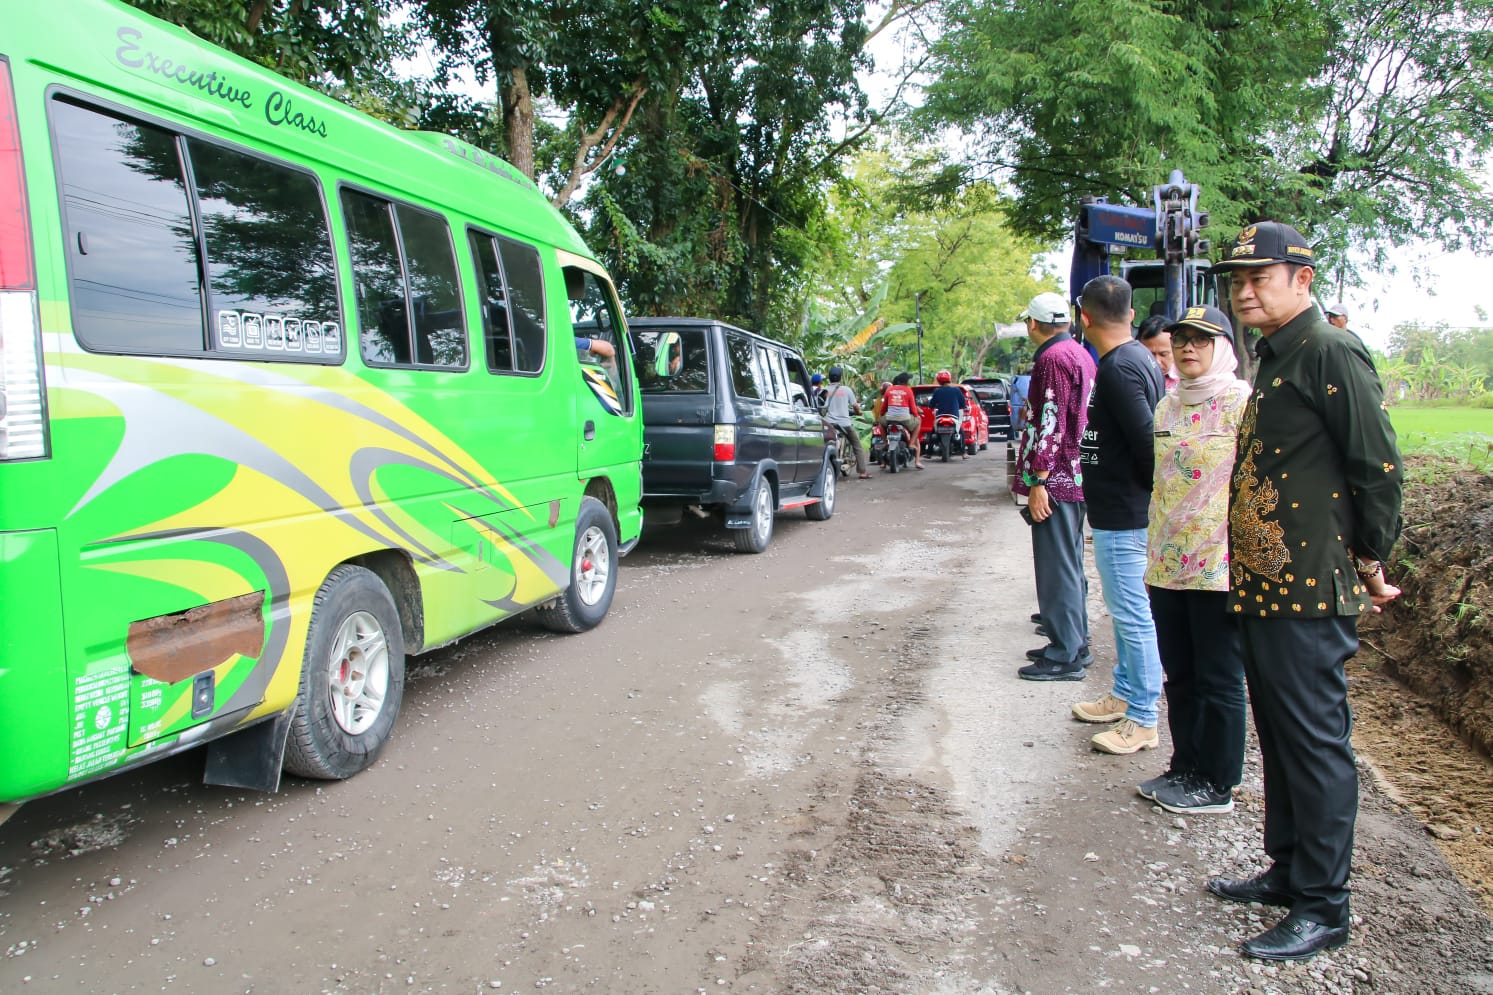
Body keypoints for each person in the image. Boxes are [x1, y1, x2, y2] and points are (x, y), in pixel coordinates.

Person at [1206, 221, 1403, 962]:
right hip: (1264, 585)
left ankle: (1325, 904)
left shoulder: (1328, 350)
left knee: (1316, 744)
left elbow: (1376, 468)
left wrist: (1370, 558)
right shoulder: (1279, 356)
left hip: (1307, 591)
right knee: (1283, 738)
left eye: (1261, 275)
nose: (1245, 289)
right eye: (1237, 278)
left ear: (1302, 279)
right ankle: (1288, 870)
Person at [1134, 305, 1251, 815]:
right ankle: (1185, 766)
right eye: (1181, 339)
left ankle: (1218, 781)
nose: (1188, 348)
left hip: (1218, 565)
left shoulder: (1241, 403)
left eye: (1201, 340)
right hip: (1166, 562)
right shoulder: (1167, 405)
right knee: (1179, 673)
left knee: (1219, 677)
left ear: (1222, 347)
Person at [1068, 276, 1166, 754]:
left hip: (1126, 515)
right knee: (1126, 612)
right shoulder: (1134, 359)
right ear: (1129, 313)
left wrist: (1145, 498)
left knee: (1132, 617)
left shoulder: (1120, 368)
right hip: (1117, 512)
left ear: (1083, 317)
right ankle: (1124, 695)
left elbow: (1149, 442)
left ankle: (1145, 718)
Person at [1014, 291, 1095, 680]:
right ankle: (1074, 640)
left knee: (1056, 566)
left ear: (1032, 324)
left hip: (1056, 479)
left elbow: (1051, 421)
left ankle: (1065, 654)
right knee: (1070, 561)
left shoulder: (1050, 359)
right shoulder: (1079, 353)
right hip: (1075, 475)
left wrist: (1038, 480)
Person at [822, 367, 871, 479]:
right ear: (840, 377)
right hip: (844, 424)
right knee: (857, 445)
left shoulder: (824, 391)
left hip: (829, 424)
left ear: (829, 377)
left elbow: (822, 406)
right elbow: (855, 406)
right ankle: (862, 472)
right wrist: (858, 413)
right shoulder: (847, 390)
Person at [878, 372, 925, 470]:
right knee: (918, 422)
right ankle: (911, 443)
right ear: (905, 381)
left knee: (880, 422)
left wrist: (882, 415)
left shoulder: (889, 390)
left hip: (890, 419)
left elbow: (883, 408)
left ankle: (885, 441)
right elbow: (913, 409)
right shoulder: (908, 391)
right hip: (904, 419)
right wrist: (916, 416)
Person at [928, 369, 969, 460]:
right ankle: (963, 453)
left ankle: (929, 452)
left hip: (940, 417)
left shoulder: (937, 391)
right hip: (953, 417)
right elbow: (963, 405)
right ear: (949, 379)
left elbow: (931, 405)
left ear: (939, 380)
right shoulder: (956, 390)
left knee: (933, 432)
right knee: (960, 432)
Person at [1137, 315, 1180, 392]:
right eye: (1150, 355)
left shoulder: (1185, 379)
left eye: (1163, 354)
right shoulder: (1132, 375)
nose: (1157, 362)